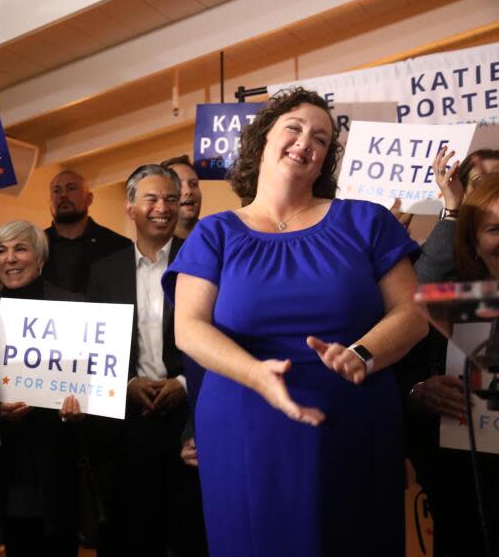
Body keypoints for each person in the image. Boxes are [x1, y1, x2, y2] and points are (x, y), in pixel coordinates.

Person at [162, 87, 427, 556]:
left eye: (321, 139)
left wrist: (362, 353)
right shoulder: (214, 233)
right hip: (244, 425)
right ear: (262, 139)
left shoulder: (366, 222)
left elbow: (414, 313)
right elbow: (190, 327)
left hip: (351, 421)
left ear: (325, 160)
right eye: (295, 128)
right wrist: (254, 374)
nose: (307, 142)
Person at [86, 164, 204, 557]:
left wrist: (184, 383)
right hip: (128, 425)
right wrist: (128, 385)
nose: (163, 207)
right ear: (130, 207)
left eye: (171, 198)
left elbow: (220, 336)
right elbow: (94, 350)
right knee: (133, 534)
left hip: (191, 423)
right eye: (151, 198)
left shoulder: (203, 262)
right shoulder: (103, 273)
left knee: (190, 533)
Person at [401, 172, 499, 557]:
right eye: (494, 228)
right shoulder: (449, 299)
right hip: (468, 493)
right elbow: (403, 376)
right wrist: (419, 393)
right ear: (473, 240)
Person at [0, 220, 84, 557]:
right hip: (8, 465)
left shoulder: (73, 310)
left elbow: (91, 385)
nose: (10, 258)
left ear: (40, 259)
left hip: (58, 461)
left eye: (20, 248)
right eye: (1, 250)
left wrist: (79, 409)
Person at [415, 147, 499, 283]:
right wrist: (452, 205)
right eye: (480, 182)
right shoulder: (446, 241)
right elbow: (425, 284)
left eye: (496, 181)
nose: (488, 190)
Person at [43, 170, 131, 293]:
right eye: (56, 190)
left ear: (89, 198)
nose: (63, 195)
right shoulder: (34, 246)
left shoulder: (119, 247)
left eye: (71, 188)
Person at [160, 155, 202, 240]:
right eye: (178, 185)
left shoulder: (216, 238)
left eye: (193, 184)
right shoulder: (153, 245)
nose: (188, 191)